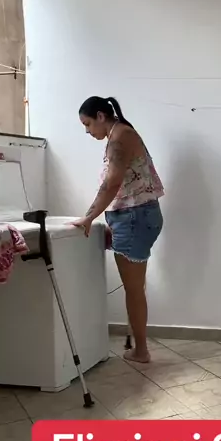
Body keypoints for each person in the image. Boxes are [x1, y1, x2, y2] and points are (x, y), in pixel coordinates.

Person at [74, 95, 164, 363]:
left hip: (133, 218)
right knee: (136, 288)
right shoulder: (122, 134)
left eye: (88, 124)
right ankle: (139, 347)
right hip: (135, 217)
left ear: (101, 116)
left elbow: (112, 183)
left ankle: (141, 351)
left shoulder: (120, 138)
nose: (87, 131)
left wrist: (88, 217)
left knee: (134, 291)